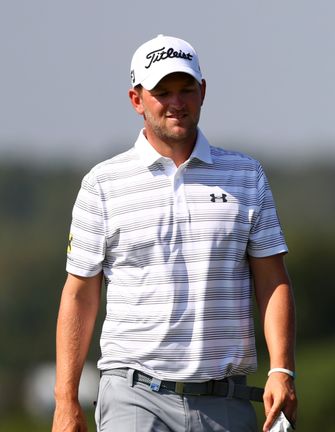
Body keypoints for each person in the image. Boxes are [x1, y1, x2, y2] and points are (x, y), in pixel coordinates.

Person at [52, 34, 297, 432]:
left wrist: (282, 368)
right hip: (133, 393)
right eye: (162, 92)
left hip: (225, 398)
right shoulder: (103, 183)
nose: (176, 103)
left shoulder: (246, 176)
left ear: (203, 91)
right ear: (137, 99)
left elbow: (273, 280)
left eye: (186, 90)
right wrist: (66, 401)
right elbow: (80, 294)